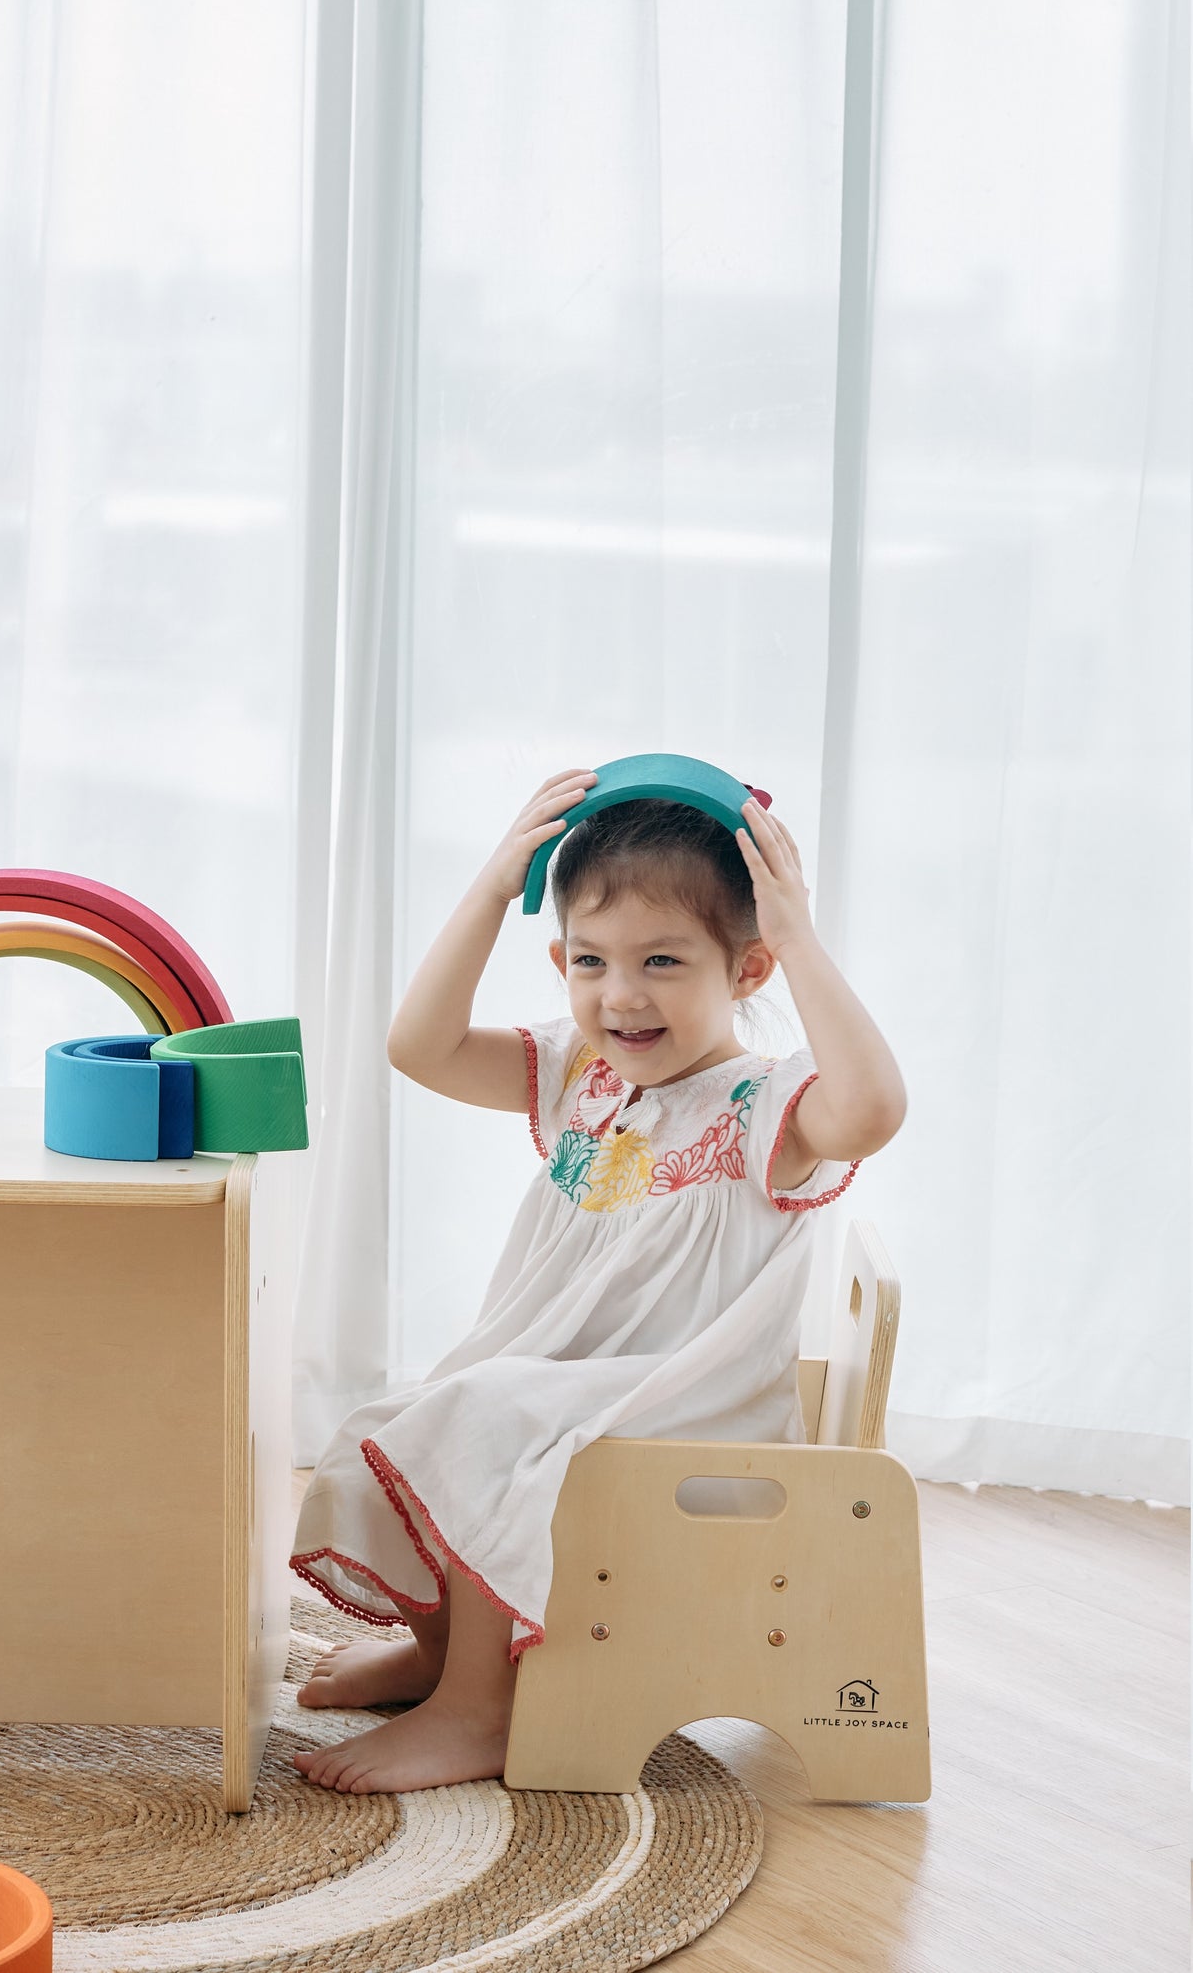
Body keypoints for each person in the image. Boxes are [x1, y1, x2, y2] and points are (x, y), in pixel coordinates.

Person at [290, 765, 906, 1794]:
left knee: (488, 1420)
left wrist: (799, 933)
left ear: (747, 968)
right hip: (572, 1379)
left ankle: (476, 1711)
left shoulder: (764, 1106)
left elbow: (874, 1108)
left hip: (681, 1407)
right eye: (590, 960)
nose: (620, 993)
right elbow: (418, 1045)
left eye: (661, 960)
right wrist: (492, 883)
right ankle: (445, 1652)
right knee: (405, 1415)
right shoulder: (586, 1073)